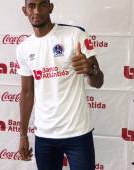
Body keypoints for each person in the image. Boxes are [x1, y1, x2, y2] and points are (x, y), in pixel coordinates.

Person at [16, 0, 104, 169]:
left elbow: (98, 81)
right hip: (44, 135)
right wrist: (23, 136)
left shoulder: (75, 35)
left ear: (51, 7)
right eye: (32, 6)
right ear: (24, 10)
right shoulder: (24, 48)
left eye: (42, 5)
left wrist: (90, 71)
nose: (36, 11)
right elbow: (27, 93)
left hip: (78, 133)